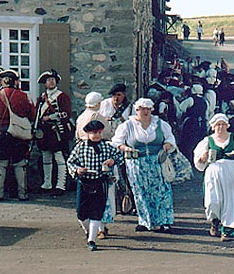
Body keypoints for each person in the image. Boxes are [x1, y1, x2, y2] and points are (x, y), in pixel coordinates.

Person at [111, 98, 176, 233]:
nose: (146, 111)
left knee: (161, 191)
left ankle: (164, 220)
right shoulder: (128, 125)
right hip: (136, 163)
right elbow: (117, 142)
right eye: (142, 109)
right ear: (137, 110)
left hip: (157, 162)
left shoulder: (160, 124)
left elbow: (170, 137)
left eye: (148, 109)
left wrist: (167, 144)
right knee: (141, 192)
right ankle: (145, 221)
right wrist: (125, 148)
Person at [66, 120, 124, 251]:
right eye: (93, 132)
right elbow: (70, 162)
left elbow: (120, 157)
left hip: (100, 182)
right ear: (87, 133)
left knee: (97, 212)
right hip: (85, 181)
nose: (96, 135)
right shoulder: (81, 147)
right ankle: (87, 230)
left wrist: (112, 161)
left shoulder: (107, 146)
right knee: (81, 213)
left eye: (99, 132)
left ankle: (91, 240)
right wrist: (77, 170)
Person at [193, 113, 234, 242]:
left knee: (232, 201)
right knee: (212, 201)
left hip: (231, 173)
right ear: (213, 127)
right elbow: (198, 160)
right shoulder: (207, 141)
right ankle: (215, 220)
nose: (220, 127)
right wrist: (203, 157)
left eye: (223, 124)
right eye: (218, 125)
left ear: (227, 126)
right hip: (213, 173)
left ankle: (228, 231)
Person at [0, 69, 35, 201]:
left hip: (1, 134)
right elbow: (31, 114)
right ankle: (22, 194)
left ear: (3, 81)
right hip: (18, 134)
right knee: (20, 164)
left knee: (1, 164)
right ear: (15, 81)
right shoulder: (24, 96)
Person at [35, 69, 73, 196]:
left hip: (57, 131)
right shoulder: (41, 97)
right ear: (44, 83)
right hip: (45, 132)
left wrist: (50, 117)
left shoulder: (62, 96)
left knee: (59, 158)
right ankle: (47, 184)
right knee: (46, 157)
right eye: (48, 80)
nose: (51, 82)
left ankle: (60, 185)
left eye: (53, 80)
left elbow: (66, 113)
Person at [178, 84, 208, 162]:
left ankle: (188, 158)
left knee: (188, 141)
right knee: (198, 141)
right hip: (202, 124)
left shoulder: (191, 99)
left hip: (191, 123)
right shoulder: (205, 101)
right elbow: (206, 114)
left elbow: (182, 108)